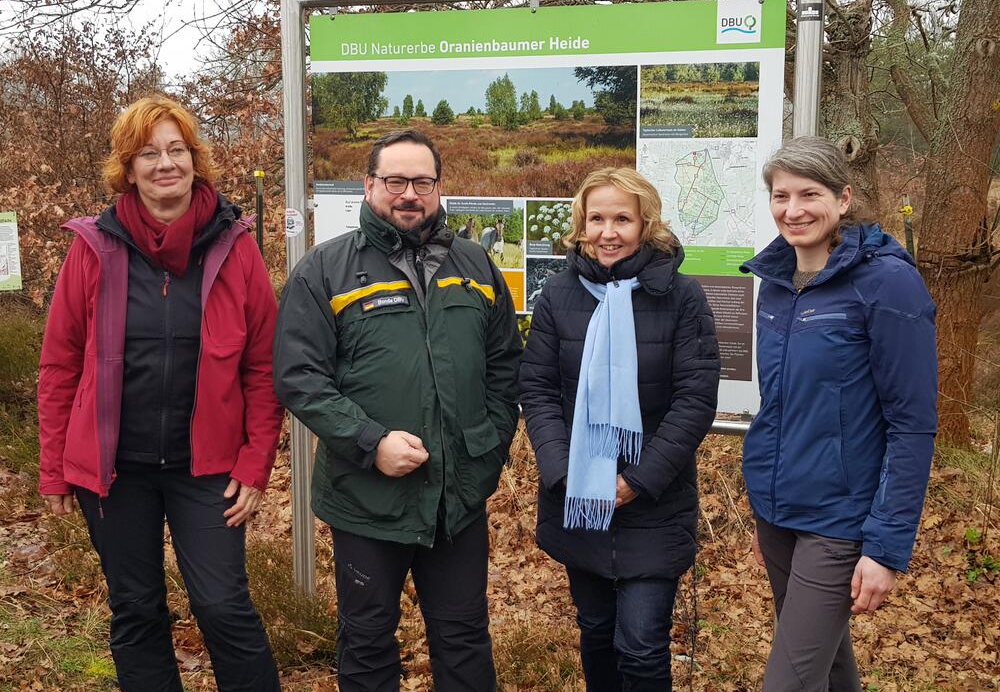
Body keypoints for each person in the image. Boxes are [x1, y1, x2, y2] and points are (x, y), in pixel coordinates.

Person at [37, 95, 284, 691]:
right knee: (137, 607)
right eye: (148, 153)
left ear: (195, 161)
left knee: (224, 606)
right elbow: (60, 363)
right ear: (128, 168)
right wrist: (53, 468)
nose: (164, 164)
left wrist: (255, 465)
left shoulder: (236, 245)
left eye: (176, 150)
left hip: (209, 470)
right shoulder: (94, 247)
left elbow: (263, 366)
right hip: (114, 470)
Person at [272, 129, 521, 692]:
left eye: (422, 182)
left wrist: (489, 447)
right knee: (367, 640)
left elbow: (507, 366)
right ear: (369, 186)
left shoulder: (476, 266)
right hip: (367, 497)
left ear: (438, 188)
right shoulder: (325, 270)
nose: (409, 194)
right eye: (395, 181)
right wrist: (370, 442)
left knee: (462, 639)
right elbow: (299, 377)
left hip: (457, 498)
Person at [740, 136, 937, 691]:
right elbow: (781, 403)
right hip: (779, 514)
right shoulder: (777, 284)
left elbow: (912, 423)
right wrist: (765, 503)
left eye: (810, 194)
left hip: (840, 519)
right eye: (781, 196)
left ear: (844, 198)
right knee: (827, 666)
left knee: (789, 681)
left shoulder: (888, 283)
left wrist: (885, 547)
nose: (793, 209)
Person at [519, 167, 720, 691]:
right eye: (597, 218)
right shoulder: (558, 295)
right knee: (596, 631)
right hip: (579, 499)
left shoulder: (682, 298)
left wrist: (637, 481)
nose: (608, 232)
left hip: (654, 502)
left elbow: (693, 402)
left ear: (646, 224)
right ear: (581, 225)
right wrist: (564, 474)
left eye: (622, 219)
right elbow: (537, 391)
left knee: (640, 641)